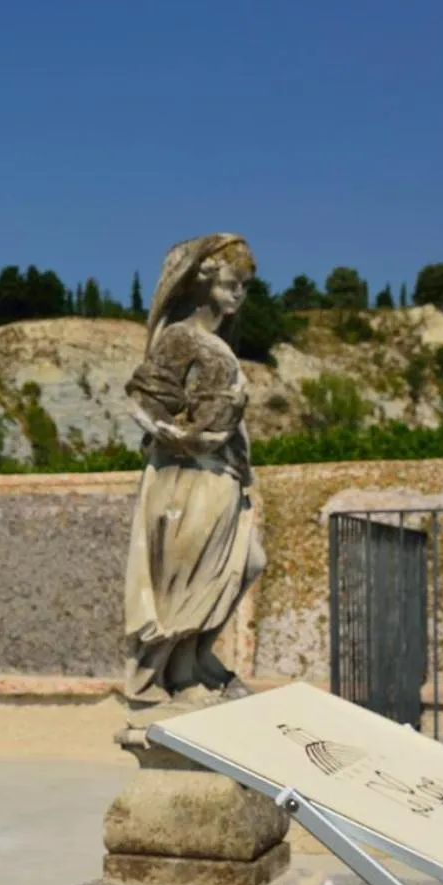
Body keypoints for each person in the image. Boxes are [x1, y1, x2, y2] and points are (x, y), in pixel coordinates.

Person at [123, 233, 264, 705]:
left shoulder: (216, 343)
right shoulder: (180, 337)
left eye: (244, 285)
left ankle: (198, 657)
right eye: (230, 282)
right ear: (204, 281)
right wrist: (189, 437)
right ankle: (181, 674)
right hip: (190, 477)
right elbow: (145, 402)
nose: (238, 293)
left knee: (246, 564)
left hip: (223, 475)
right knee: (192, 578)